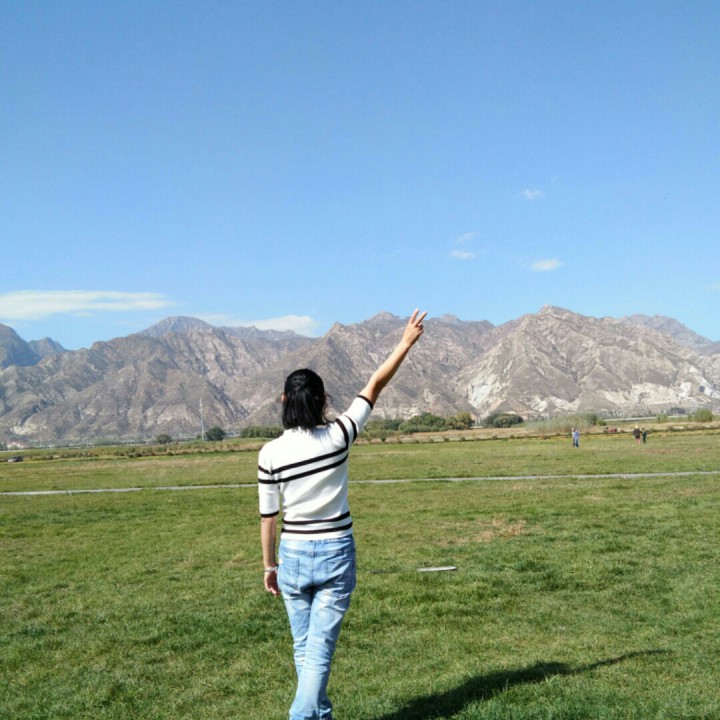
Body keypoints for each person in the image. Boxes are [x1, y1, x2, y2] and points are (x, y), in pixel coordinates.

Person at [258, 309, 427, 720]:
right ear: (323, 401)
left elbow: (268, 518)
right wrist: (404, 343)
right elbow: (374, 385)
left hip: (292, 555)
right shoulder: (339, 436)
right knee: (316, 651)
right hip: (335, 552)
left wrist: (269, 566)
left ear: (284, 402)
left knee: (305, 648)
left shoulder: (270, 453)